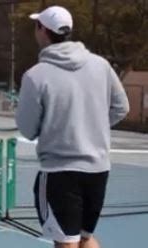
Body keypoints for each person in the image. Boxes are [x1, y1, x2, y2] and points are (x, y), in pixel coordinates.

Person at [15, 6, 129, 248]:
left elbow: (27, 129)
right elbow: (122, 108)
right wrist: (89, 126)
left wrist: (68, 127)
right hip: (98, 171)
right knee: (85, 239)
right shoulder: (101, 65)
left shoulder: (35, 76)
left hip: (60, 173)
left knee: (66, 243)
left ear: (42, 30)